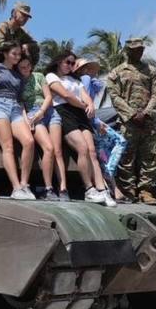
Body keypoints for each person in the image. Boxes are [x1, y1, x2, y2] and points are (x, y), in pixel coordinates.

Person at [44, 51, 115, 206]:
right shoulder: (51, 76)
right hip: (64, 111)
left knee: (92, 152)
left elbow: (85, 95)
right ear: (59, 62)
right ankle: (89, 189)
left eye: (72, 63)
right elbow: (66, 96)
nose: (70, 66)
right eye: (67, 62)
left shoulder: (76, 80)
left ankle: (102, 190)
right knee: (82, 148)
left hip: (80, 114)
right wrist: (84, 105)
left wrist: (89, 104)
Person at [106, 37, 156, 205]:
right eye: (135, 49)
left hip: (148, 122)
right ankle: (128, 190)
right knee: (126, 157)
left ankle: (145, 190)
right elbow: (114, 96)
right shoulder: (116, 73)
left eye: (141, 49)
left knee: (150, 156)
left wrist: (146, 114)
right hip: (127, 123)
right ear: (128, 50)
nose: (139, 51)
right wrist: (131, 114)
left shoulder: (152, 72)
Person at [0, 42, 36, 199]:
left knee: (29, 141)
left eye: (19, 54)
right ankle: (16, 187)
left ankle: (25, 184)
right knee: (8, 145)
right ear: (5, 53)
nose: (17, 57)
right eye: (14, 54)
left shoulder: (19, 74)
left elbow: (20, 99)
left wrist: (26, 118)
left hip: (16, 108)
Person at [74, 58, 128, 202]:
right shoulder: (85, 79)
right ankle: (109, 176)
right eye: (88, 67)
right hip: (91, 121)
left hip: (91, 121)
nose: (92, 71)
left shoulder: (87, 81)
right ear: (83, 70)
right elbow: (87, 105)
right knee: (119, 142)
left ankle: (112, 184)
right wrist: (97, 123)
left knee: (103, 152)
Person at [18, 51, 62, 201]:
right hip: (32, 113)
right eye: (22, 67)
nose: (25, 70)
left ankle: (62, 188)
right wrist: (27, 120)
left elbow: (48, 96)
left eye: (27, 66)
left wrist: (42, 111)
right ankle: (48, 188)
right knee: (48, 148)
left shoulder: (39, 76)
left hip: (48, 110)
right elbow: (21, 104)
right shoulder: (17, 82)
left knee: (57, 150)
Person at [0, 1, 37, 68]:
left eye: (27, 17)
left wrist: (27, 46)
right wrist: (16, 46)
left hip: (9, 62)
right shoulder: (4, 26)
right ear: (14, 13)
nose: (25, 18)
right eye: (23, 14)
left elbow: (35, 45)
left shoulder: (21, 32)